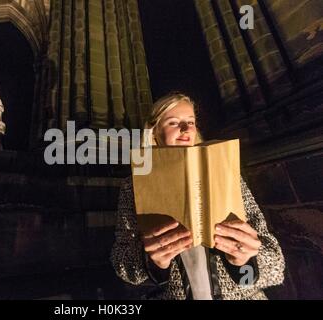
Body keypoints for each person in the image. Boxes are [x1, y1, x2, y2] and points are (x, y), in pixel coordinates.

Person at [110, 91, 285, 300]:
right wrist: (153, 263)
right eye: (174, 122)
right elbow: (123, 262)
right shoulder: (133, 185)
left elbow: (275, 265)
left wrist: (246, 262)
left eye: (190, 122)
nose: (185, 129)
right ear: (154, 132)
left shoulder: (225, 173)